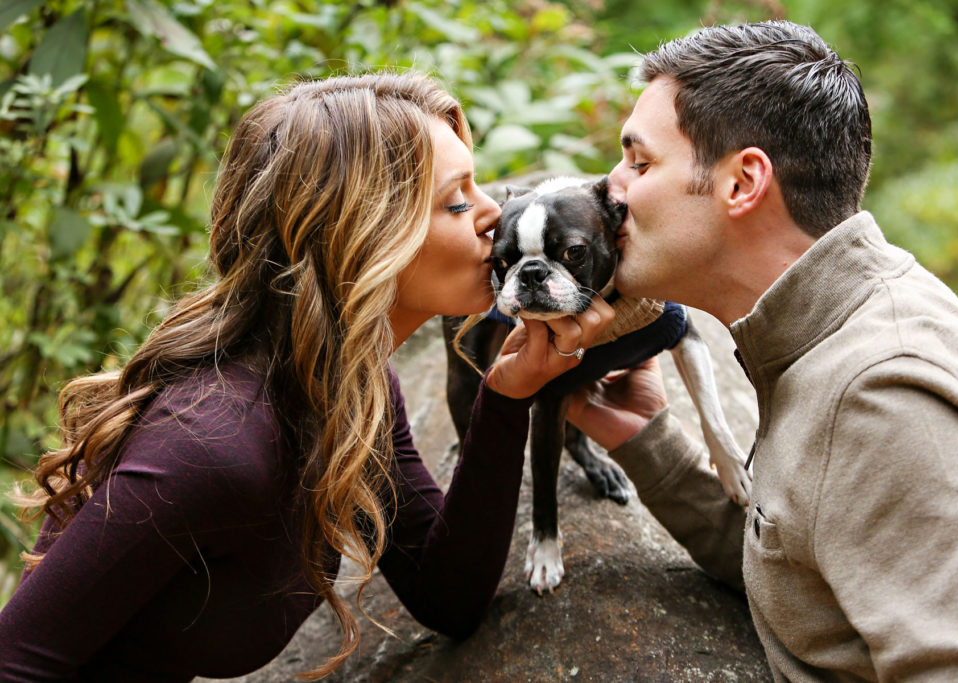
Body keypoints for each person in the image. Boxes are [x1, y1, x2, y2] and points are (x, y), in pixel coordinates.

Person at [0, 72, 613, 681]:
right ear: (361, 236)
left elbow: (446, 594)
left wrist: (508, 395)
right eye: (457, 200)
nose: (494, 213)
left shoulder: (345, 386)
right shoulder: (212, 445)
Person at [567, 20, 958, 681]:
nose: (609, 188)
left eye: (640, 163)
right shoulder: (829, 325)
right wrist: (648, 442)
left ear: (742, 182)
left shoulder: (883, 395)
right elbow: (811, 566)